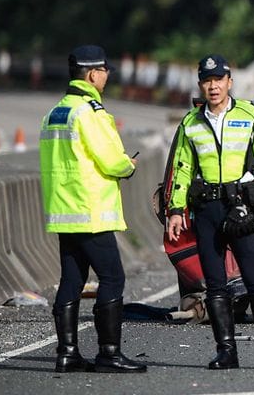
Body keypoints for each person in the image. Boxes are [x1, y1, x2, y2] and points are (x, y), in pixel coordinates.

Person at [166, 54, 254, 370]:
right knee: (215, 286)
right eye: (207, 81)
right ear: (200, 85)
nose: (213, 86)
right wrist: (176, 210)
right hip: (207, 210)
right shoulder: (191, 123)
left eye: (218, 80)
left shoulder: (250, 116)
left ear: (229, 82)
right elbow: (182, 168)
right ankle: (226, 352)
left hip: (241, 208)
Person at [40, 45, 146, 373]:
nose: (107, 75)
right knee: (113, 277)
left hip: (64, 212)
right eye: (104, 71)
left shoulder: (55, 113)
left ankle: (67, 353)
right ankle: (109, 353)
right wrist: (128, 165)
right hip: (91, 210)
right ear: (92, 74)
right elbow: (111, 159)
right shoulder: (91, 112)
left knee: (71, 280)